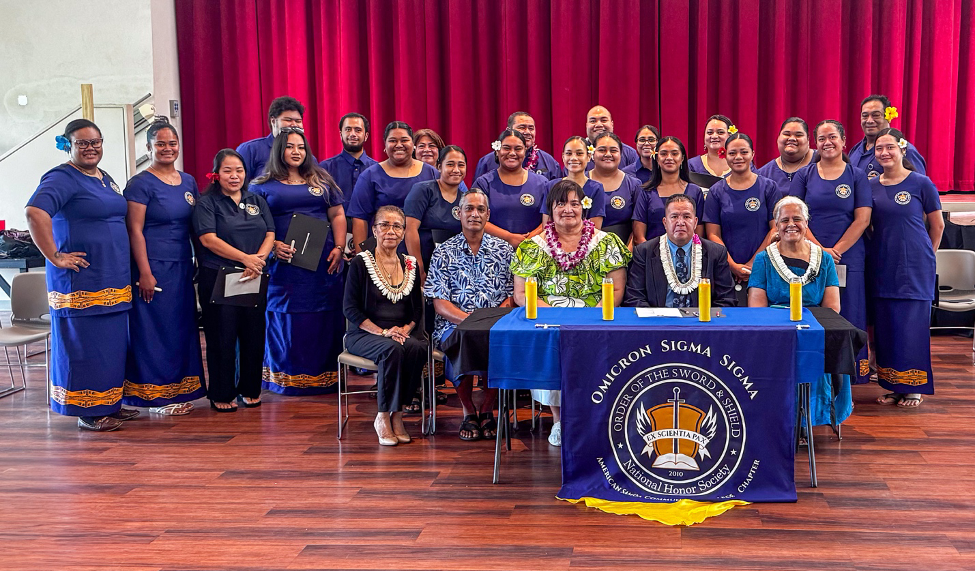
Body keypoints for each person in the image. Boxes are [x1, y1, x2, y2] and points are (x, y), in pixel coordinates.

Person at [25, 119, 133, 431]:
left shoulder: (103, 177)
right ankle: (88, 410)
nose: (90, 148)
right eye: (82, 143)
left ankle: (110, 403)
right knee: (85, 346)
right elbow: (34, 212)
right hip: (81, 280)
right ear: (69, 145)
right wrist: (54, 256)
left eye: (95, 142)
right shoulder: (62, 177)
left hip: (112, 276)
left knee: (111, 345)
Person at [511, 180, 631, 446]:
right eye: (561, 204)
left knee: (597, 346)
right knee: (554, 344)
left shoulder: (607, 243)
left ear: (584, 208)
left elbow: (617, 289)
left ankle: (596, 419)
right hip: (547, 319)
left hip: (596, 317)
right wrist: (556, 318)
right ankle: (559, 421)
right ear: (550, 210)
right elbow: (521, 295)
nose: (568, 209)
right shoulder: (532, 247)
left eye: (575, 203)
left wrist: (591, 319)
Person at [250, 128, 347, 396]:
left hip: (323, 262)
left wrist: (339, 247)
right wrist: (272, 247)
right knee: (287, 316)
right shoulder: (260, 186)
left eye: (301, 147)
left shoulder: (322, 180)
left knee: (324, 314)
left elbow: (338, 214)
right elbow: (251, 225)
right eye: (290, 146)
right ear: (279, 150)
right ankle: (285, 376)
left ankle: (325, 376)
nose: (296, 151)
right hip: (284, 264)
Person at [122, 117, 206, 416]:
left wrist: (198, 258)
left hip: (182, 265)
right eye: (160, 144)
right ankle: (154, 396)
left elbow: (194, 226)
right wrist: (144, 272)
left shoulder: (188, 181)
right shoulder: (141, 183)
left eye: (172, 143)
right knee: (154, 330)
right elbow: (134, 230)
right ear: (148, 147)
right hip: (153, 266)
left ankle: (179, 388)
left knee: (179, 328)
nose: (167, 148)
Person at [748, 196, 849, 427]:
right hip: (775, 331)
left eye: (797, 219)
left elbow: (833, 307)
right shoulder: (764, 259)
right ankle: (779, 419)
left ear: (806, 223)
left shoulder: (824, 259)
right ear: (776, 225)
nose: (791, 224)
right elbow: (756, 308)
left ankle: (812, 418)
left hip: (814, 329)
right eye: (784, 220)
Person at [423, 190, 514, 441]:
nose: (475, 214)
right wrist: (469, 322)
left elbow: (512, 296)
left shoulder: (504, 250)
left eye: (480, 210)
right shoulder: (443, 252)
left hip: (494, 323)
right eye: (469, 209)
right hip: (454, 324)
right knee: (462, 339)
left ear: (488, 215)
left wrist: (485, 322)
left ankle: (487, 408)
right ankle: (468, 410)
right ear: (459, 213)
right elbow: (439, 302)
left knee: (498, 342)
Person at [192, 149, 276, 411]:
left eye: (239, 170)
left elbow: (270, 232)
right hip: (220, 276)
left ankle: (250, 389)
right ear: (216, 174)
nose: (234, 175)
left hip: (254, 276)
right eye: (228, 170)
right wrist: (245, 259)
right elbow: (208, 239)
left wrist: (258, 260)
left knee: (253, 334)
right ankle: (222, 393)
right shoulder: (207, 203)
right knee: (222, 337)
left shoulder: (255, 199)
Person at [789, 120, 872, 383]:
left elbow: (863, 219)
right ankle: (816, 373)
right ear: (815, 143)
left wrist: (836, 250)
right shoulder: (805, 175)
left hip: (849, 256)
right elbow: (796, 216)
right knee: (814, 310)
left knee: (849, 313)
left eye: (833, 137)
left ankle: (850, 378)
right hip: (807, 254)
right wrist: (821, 250)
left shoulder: (856, 175)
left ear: (844, 140)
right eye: (822, 138)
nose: (828, 142)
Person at [868, 127, 943, 408]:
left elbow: (937, 225)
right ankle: (893, 384)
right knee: (887, 325)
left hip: (915, 266)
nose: (884, 153)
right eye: (879, 148)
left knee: (911, 326)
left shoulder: (920, 182)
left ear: (902, 149)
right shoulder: (871, 185)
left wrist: (927, 256)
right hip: (882, 262)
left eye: (889, 147)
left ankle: (914, 387)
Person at [343, 206, 427, 446]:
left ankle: (398, 415)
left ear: (403, 233)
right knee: (392, 350)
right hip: (364, 333)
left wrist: (404, 330)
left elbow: (417, 310)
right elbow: (350, 309)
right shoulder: (361, 263)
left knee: (417, 348)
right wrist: (383, 332)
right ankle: (382, 417)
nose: (391, 231)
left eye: (397, 226)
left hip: (399, 333)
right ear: (374, 230)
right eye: (384, 225)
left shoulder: (410, 264)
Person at [704, 132, 780, 304]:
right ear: (725, 155)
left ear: (752, 154)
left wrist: (754, 263)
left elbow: (775, 229)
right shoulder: (716, 191)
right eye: (732, 153)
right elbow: (713, 234)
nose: (738, 157)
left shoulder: (769, 187)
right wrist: (732, 265)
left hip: (764, 266)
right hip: (725, 269)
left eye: (744, 152)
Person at [625, 194, 735, 308]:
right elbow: (634, 297)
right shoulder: (644, 252)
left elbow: (726, 299)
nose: (680, 222)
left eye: (687, 217)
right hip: (658, 322)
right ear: (665, 222)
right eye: (674, 216)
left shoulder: (716, 253)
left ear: (695, 222)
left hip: (701, 321)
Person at [347, 121, 439, 253]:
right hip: (383, 253)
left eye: (404, 140)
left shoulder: (431, 173)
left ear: (413, 144)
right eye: (393, 140)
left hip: (426, 251)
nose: (399, 145)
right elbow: (359, 219)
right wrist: (362, 259)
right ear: (385, 145)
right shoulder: (369, 176)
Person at [472, 129, 549, 247]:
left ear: (525, 151)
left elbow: (549, 218)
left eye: (518, 149)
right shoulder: (484, 183)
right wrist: (509, 237)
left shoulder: (542, 183)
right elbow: (474, 217)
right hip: (493, 254)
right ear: (497, 150)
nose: (512, 153)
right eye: (506, 148)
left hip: (533, 252)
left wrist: (531, 238)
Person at [404, 145, 468, 285]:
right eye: (450, 164)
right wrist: (418, 267)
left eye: (461, 165)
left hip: (452, 269)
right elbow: (410, 229)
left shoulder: (466, 199)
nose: (456, 170)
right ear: (439, 167)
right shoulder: (423, 190)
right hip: (422, 263)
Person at [632, 136, 706, 244]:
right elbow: (638, 237)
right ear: (657, 159)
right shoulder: (646, 192)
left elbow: (698, 235)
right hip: (652, 257)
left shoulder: (695, 192)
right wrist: (656, 256)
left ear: (682, 158)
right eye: (663, 154)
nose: (669, 157)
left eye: (674, 153)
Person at [237, 96, 316, 178]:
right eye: (288, 120)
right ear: (273, 121)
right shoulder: (250, 150)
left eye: (298, 121)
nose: (294, 125)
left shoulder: (308, 157)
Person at [849, 95, 927, 178]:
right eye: (865, 116)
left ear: (888, 116)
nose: (869, 120)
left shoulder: (904, 150)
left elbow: (918, 187)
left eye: (876, 115)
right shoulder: (855, 150)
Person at [585, 132, 641, 244]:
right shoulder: (580, 183)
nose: (608, 154)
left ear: (621, 154)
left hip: (624, 253)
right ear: (592, 154)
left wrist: (627, 255)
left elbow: (638, 227)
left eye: (613, 150)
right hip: (584, 250)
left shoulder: (634, 185)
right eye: (602, 150)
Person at [472, 112, 563, 180]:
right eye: (522, 127)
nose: (527, 132)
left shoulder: (548, 162)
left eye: (531, 128)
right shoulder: (487, 162)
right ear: (508, 130)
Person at [320, 112, 377, 218]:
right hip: (334, 230)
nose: (353, 134)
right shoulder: (324, 168)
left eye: (358, 130)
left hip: (370, 231)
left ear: (366, 136)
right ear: (341, 134)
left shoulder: (377, 169)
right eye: (348, 129)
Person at [541, 136, 606, 227]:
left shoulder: (596, 188)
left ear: (588, 156)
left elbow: (595, 229)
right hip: (555, 239)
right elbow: (546, 225)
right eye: (569, 153)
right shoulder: (551, 186)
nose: (574, 158)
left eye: (579, 153)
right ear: (563, 157)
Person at [758, 117, 815, 197]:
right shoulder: (763, 174)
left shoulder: (822, 161)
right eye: (786, 134)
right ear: (778, 138)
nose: (792, 138)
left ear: (808, 140)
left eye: (798, 135)